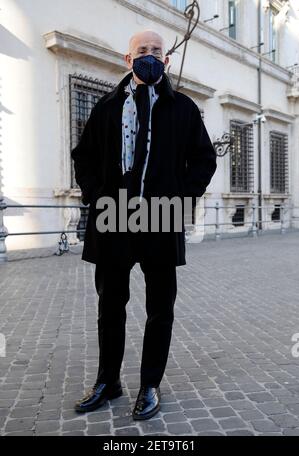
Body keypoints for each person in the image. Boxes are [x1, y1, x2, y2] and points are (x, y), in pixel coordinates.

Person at [71, 29, 217, 420]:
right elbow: (82, 156)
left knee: (160, 307)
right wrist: (96, 195)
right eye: (142, 51)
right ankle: (108, 381)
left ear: (165, 60)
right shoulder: (105, 107)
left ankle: (150, 384)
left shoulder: (184, 108)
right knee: (110, 305)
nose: (149, 56)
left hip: (161, 214)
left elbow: (204, 160)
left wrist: (182, 195)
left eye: (156, 51)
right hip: (113, 215)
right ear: (128, 58)